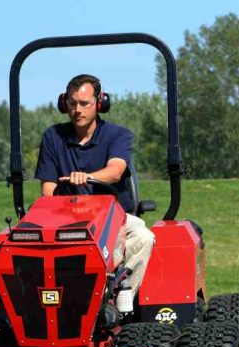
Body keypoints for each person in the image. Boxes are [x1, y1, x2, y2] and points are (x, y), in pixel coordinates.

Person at [34, 74, 154, 295]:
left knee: (144, 237)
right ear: (64, 104)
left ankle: (120, 297)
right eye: (72, 103)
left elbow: (116, 170)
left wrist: (87, 177)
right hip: (66, 218)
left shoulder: (118, 135)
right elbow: (48, 190)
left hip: (113, 217)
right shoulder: (53, 137)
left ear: (99, 103)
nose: (77, 110)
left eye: (84, 103)